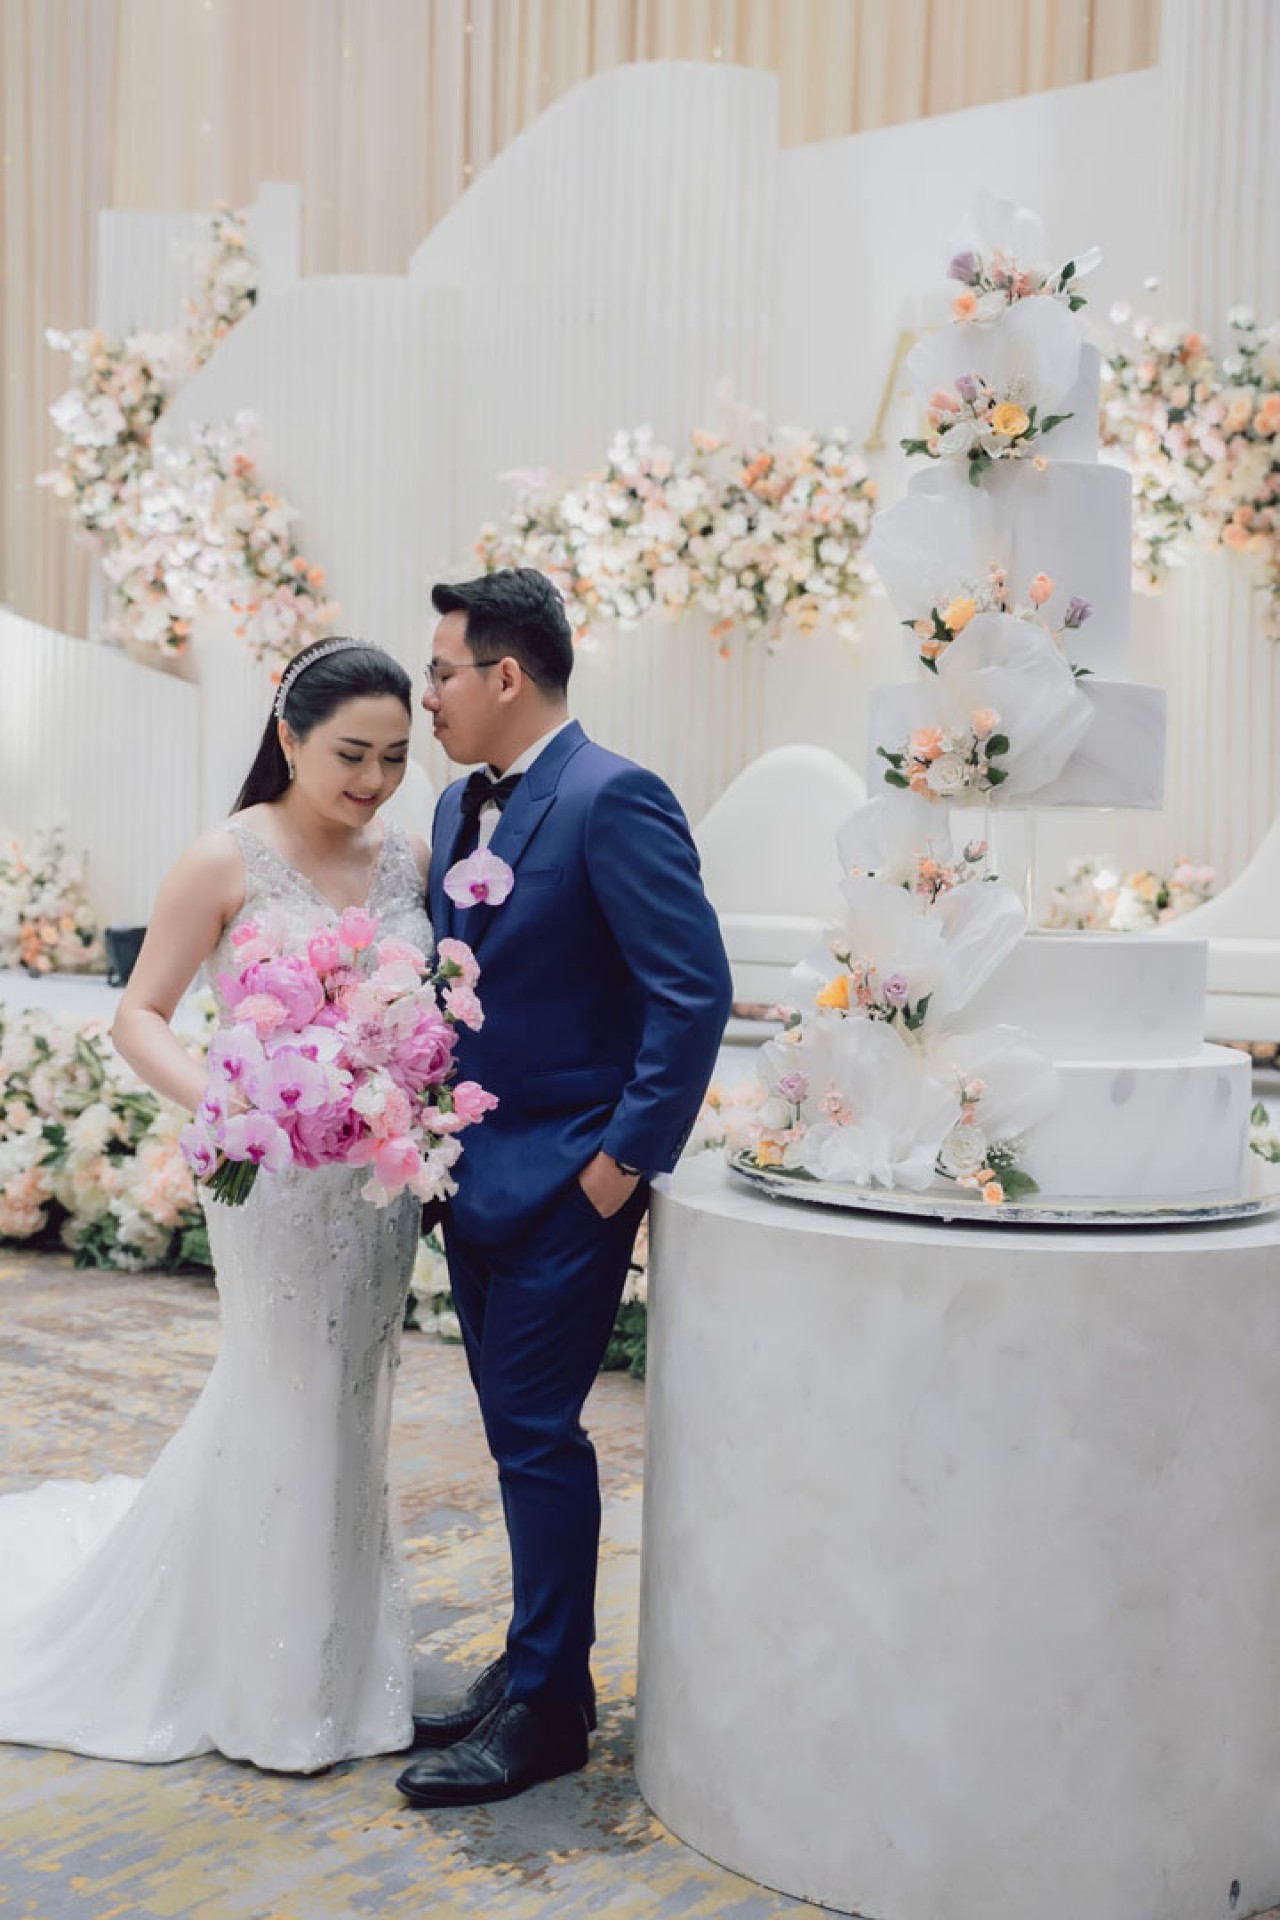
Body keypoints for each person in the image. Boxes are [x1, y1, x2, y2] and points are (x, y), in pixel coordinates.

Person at [0, 638, 433, 1774]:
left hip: (374, 1181)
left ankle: (341, 1666)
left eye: (395, 756)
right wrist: (236, 1107)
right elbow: (139, 1015)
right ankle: (267, 1682)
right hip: (269, 1176)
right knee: (286, 1387)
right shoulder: (222, 858)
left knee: (356, 1391)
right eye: (351, 753)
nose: (374, 779)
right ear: (288, 736)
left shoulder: (411, 859)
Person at [396, 568, 732, 1809]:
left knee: (537, 1436)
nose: (426, 695)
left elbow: (691, 992)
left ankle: (547, 1709)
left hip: (568, 1183)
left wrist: (617, 1167)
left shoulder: (613, 797)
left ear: (504, 675)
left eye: (440, 672)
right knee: (512, 1434)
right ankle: (535, 1666)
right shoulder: (454, 806)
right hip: (470, 1177)